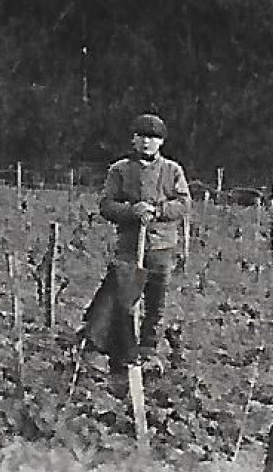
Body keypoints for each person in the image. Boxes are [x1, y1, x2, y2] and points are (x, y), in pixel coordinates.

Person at [82, 113, 191, 375]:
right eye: (141, 136)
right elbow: (107, 205)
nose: (146, 142)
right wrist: (133, 210)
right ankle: (118, 351)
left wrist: (157, 210)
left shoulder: (172, 170)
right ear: (133, 139)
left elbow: (184, 203)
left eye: (153, 138)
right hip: (130, 246)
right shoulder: (119, 170)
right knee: (123, 299)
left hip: (161, 246)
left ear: (161, 142)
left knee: (156, 301)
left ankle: (148, 351)